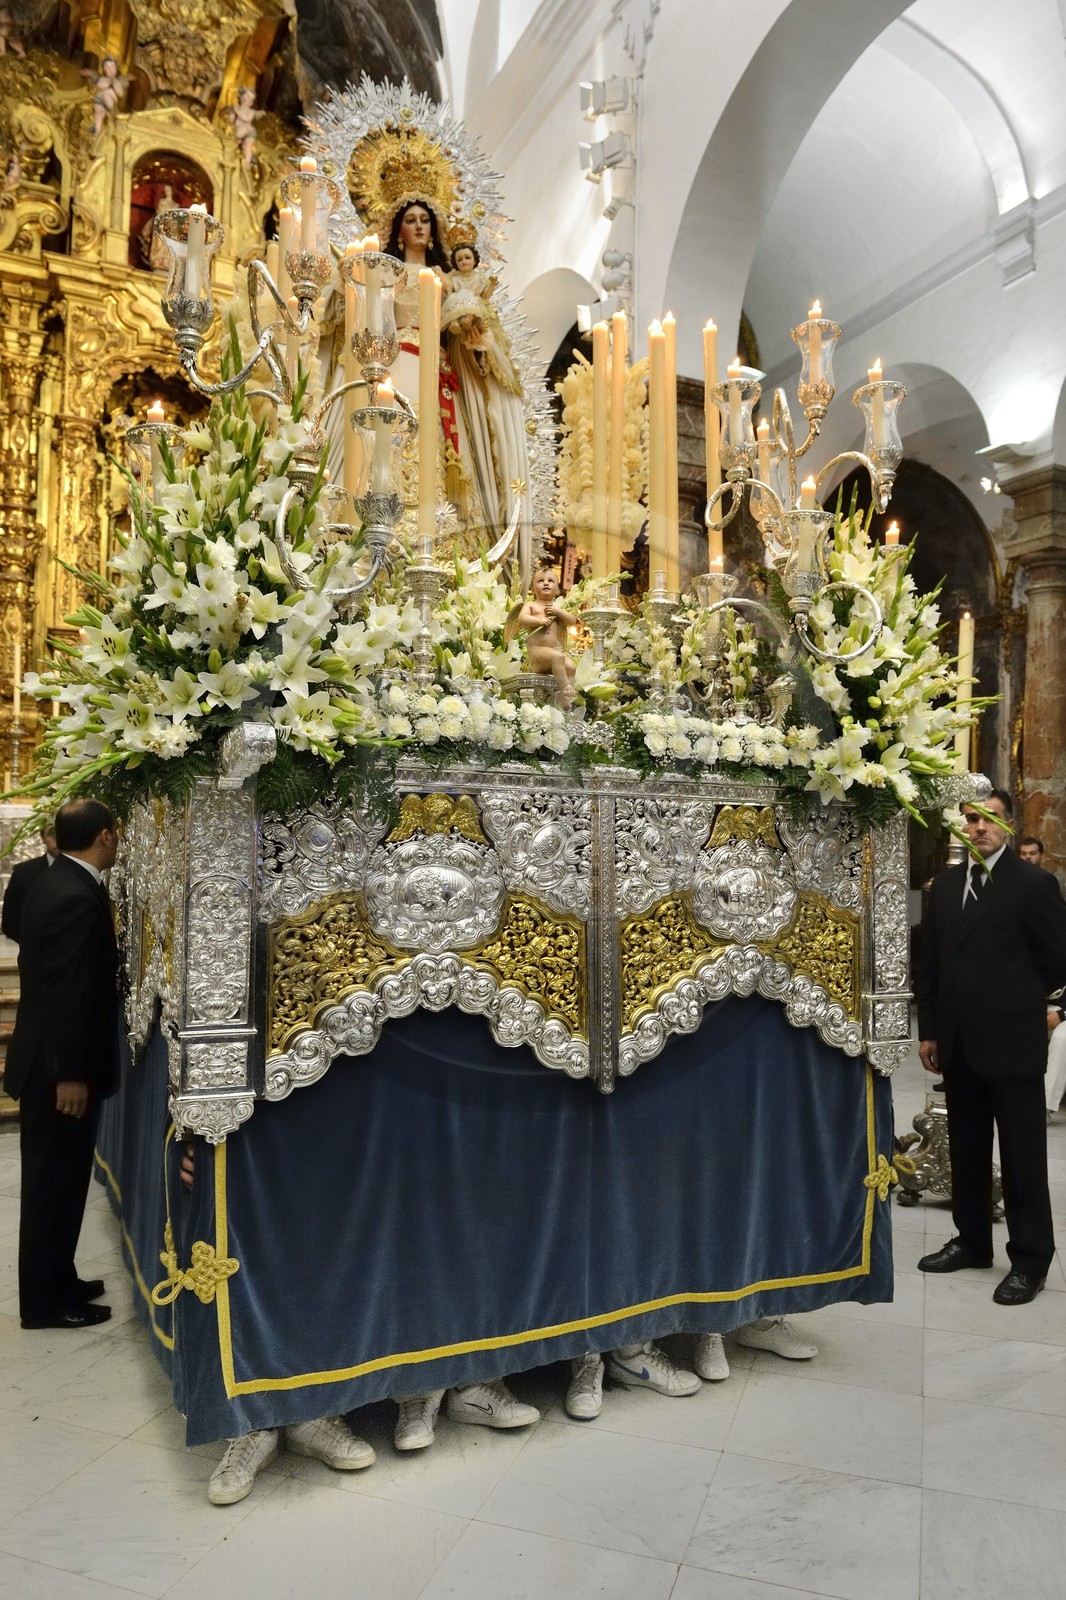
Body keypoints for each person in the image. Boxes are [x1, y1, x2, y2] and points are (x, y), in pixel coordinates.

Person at [916, 790, 1066, 1305]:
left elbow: (1057, 960)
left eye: (988, 819)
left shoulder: (1033, 883)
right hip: (958, 1043)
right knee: (968, 1149)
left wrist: (1016, 999)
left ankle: (1030, 1259)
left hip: (1012, 1041)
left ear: (1008, 823)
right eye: (970, 820)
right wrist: (930, 1030)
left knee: (1022, 1156)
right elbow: (932, 965)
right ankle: (973, 1241)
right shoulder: (947, 885)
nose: (977, 828)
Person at [5, 798, 121, 1329]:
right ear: (104, 837)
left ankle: (59, 1279)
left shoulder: (55, 882)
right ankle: (46, 1304)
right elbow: (68, 993)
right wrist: (71, 1073)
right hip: (57, 1071)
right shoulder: (73, 894)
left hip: (47, 1060)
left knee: (63, 1182)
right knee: (53, 1185)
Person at [505, 567, 577, 704]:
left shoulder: (556, 609)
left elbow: (572, 621)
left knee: (571, 668)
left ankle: (564, 701)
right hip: (538, 652)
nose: (546, 583)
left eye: (550, 581)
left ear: (557, 588)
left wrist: (558, 612)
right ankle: (566, 686)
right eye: (540, 581)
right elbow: (522, 619)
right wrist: (539, 621)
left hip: (555, 653)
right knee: (558, 657)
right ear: (533, 587)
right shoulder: (531, 605)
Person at [1, 824, 59, 943]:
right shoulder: (23, 872)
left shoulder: (86, 868)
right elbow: (9, 921)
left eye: (60, 832)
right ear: (42, 838)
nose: (56, 838)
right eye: (51, 833)